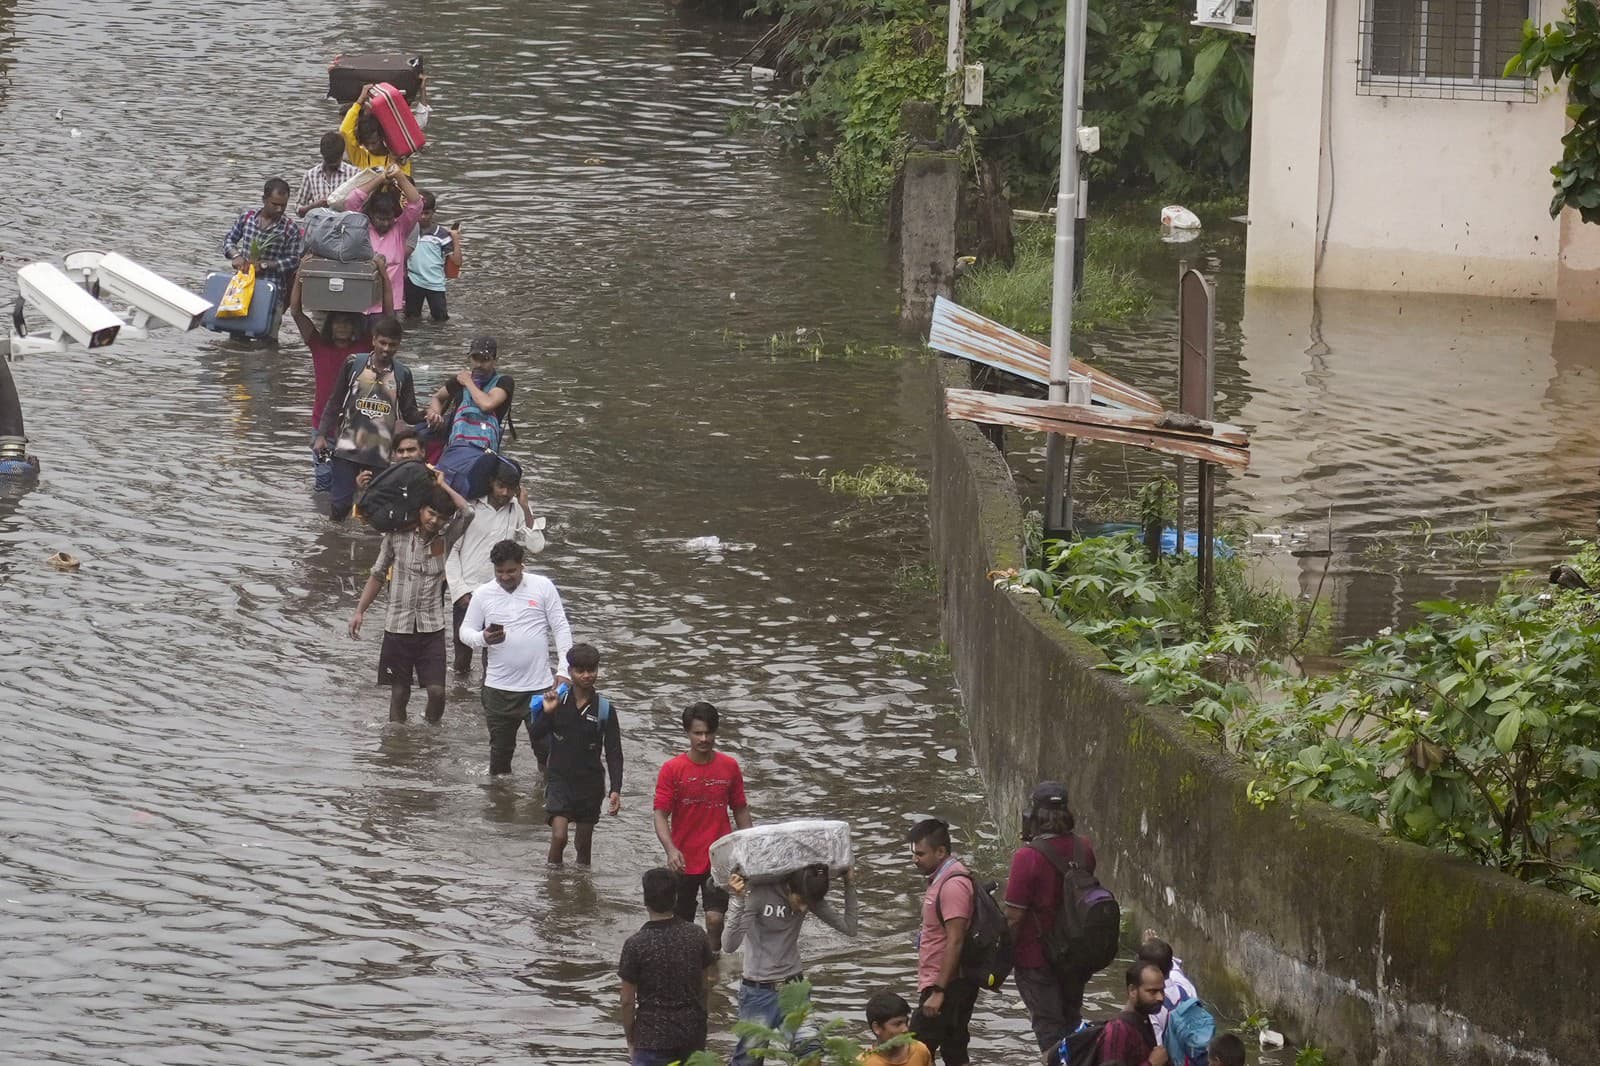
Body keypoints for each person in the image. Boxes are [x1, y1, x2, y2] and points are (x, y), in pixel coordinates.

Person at [348, 475, 472, 724]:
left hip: (432, 628)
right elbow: (377, 574)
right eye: (430, 513)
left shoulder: (446, 540)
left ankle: (429, 734)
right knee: (400, 692)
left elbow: (467, 512)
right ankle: (398, 744)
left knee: (437, 692)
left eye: (441, 517)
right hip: (397, 626)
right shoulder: (396, 537)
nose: (434, 521)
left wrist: (442, 485)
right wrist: (360, 611)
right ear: (420, 510)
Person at [458, 538, 573, 776]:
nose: (505, 577)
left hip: (540, 689)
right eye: (499, 572)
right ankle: (499, 806)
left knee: (547, 751)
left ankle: (547, 801)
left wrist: (564, 670)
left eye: (511, 571)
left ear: (523, 565)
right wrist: (483, 638)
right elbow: (464, 632)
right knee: (500, 757)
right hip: (498, 689)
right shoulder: (483, 593)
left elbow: (560, 627)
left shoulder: (542, 586)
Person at [724, 864, 858, 1066]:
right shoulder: (758, 896)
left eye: (809, 903)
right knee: (748, 1061)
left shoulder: (809, 891)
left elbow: (850, 928)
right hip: (758, 992)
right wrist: (737, 899)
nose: (804, 908)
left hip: (795, 989)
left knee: (811, 1057)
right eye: (802, 901)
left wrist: (849, 883)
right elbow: (729, 945)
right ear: (789, 888)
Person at [1005, 781, 1101, 1052]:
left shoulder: (1027, 857)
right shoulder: (1084, 848)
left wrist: (1002, 956)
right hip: (1075, 954)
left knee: (1048, 1029)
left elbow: (1014, 917)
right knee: (1071, 1022)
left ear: (1034, 816)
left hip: (1036, 958)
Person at [653, 702, 752, 952]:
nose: (704, 738)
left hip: (719, 858)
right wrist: (670, 849)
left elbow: (740, 809)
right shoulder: (672, 769)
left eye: (709, 732)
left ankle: (712, 961)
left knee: (715, 919)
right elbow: (660, 815)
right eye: (698, 733)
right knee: (681, 925)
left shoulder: (729, 767)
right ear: (688, 733)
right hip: (683, 860)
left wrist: (748, 847)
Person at [314, 316, 422, 521]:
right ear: (373, 340)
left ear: (399, 345)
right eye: (382, 343)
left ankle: (364, 548)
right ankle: (335, 546)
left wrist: (429, 415)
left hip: (379, 455)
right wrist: (321, 435)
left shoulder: (402, 374)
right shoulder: (354, 364)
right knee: (340, 507)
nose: (386, 349)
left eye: (392, 344)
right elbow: (335, 401)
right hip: (347, 449)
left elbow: (409, 413)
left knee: (374, 511)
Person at [445, 460, 542, 677]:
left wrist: (525, 506)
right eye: (501, 485)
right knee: (462, 654)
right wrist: (459, 592)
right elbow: (451, 551)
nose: (505, 492)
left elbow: (536, 547)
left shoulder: (517, 510)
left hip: (501, 594)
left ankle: (487, 699)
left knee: (496, 656)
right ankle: (459, 699)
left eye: (511, 487)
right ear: (491, 482)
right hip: (467, 593)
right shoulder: (469, 507)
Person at [529, 643, 622, 866]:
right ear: (570, 671)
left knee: (583, 844)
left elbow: (614, 751)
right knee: (559, 838)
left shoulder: (604, 709)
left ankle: (582, 890)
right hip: (559, 779)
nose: (587, 675)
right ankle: (553, 884)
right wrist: (548, 714)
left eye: (592, 670)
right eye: (580, 670)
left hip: (590, 784)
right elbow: (536, 734)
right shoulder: (557, 701)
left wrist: (615, 789)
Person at [618, 867, 717, 1066]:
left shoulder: (635, 944)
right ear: (676, 898)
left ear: (645, 900)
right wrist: (701, 1021)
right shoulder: (697, 935)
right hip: (692, 1035)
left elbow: (627, 1001)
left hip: (651, 1039)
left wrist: (630, 1038)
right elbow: (706, 985)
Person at [290, 251, 392, 433]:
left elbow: (388, 317)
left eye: (347, 323)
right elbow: (296, 312)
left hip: (356, 425)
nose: (342, 328)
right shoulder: (319, 345)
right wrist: (300, 273)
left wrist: (383, 274)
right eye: (338, 323)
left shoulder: (365, 347)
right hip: (322, 424)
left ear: (355, 327)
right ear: (330, 326)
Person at [906, 819, 977, 1066]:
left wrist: (938, 992)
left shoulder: (953, 885)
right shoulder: (942, 877)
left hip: (946, 984)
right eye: (913, 853)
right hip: (947, 982)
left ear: (941, 852)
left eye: (921, 854)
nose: (915, 859)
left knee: (912, 1050)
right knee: (954, 1050)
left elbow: (955, 941)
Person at [422, 335, 512, 496]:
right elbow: (437, 397)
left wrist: (468, 382)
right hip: (456, 447)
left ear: (494, 361)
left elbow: (486, 404)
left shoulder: (504, 382)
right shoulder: (458, 382)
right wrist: (435, 414)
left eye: (484, 359)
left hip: (484, 452)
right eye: (475, 358)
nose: (478, 364)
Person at [221, 177, 303, 337]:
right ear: (264, 200)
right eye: (275, 204)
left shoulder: (289, 228)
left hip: (273, 293)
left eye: (283, 205)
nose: (279, 209)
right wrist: (236, 256)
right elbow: (229, 240)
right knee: (237, 337)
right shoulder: (247, 218)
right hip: (243, 289)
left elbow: (294, 260)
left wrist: (265, 265)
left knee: (267, 342)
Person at [345, 166, 426, 321]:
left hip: (389, 306)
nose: (385, 223)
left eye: (389, 218)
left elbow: (416, 204)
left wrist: (400, 177)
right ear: (371, 215)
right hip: (359, 302)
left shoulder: (400, 229)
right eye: (380, 219)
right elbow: (351, 201)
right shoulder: (361, 226)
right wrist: (381, 178)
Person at [404, 190, 461, 321]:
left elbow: (457, 262)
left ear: (433, 212)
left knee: (440, 319)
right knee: (411, 318)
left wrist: (455, 238)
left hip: (435, 283)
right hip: (413, 280)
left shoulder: (441, 234)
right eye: (420, 213)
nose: (423, 217)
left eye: (427, 213)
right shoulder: (407, 231)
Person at [1098, 962, 1170, 1066]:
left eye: (1162, 990)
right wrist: (1152, 1063)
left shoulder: (1143, 1020)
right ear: (1132, 990)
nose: (1161, 997)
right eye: (1152, 991)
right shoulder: (1117, 1029)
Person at [1137, 936, 1199, 1051]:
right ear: (1170, 965)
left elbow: (1158, 1050)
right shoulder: (1186, 987)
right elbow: (1172, 966)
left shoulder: (1151, 1006)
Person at [340, 83, 416, 174]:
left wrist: (395, 164)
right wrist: (359, 101)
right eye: (366, 144)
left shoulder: (399, 158)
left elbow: (407, 183)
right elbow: (344, 130)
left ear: (381, 137)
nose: (370, 147)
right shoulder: (360, 157)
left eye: (373, 143)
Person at [861, 990, 933, 1066]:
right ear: (877, 1028)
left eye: (906, 1022)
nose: (905, 1029)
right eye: (897, 1024)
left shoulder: (920, 1051)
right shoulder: (863, 1063)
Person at [297, 131, 359, 216]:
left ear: (342, 154)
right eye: (329, 160)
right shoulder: (311, 175)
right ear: (322, 153)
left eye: (335, 160)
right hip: (319, 224)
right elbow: (298, 210)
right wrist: (314, 206)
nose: (332, 163)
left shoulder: (354, 174)